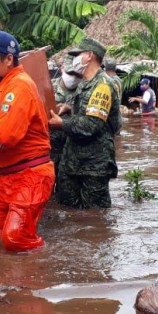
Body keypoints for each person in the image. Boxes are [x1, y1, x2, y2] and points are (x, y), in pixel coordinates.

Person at [0, 31, 55, 252]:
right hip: (7, 176)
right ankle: (7, 284)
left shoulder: (19, 86)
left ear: (8, 58)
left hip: (30, 175)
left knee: (14, 238)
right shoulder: (2, 87)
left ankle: (43, 272)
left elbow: (6, 135)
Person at [48, 37, 121, 209]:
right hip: (73, 162)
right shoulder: (84, 84)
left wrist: (61, 124)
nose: (75, 60)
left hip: (93, 166)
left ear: (89, 56)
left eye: (77, 55)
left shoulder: (102, 86)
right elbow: (84, 113)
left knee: (95, 218)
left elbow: (90, 125)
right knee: (68, 212)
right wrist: (68, 109)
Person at [49, 55, 81, 175]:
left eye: (77, 75)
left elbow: (89, 121)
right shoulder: (48, 87)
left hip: (73, 153)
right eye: (70, 73)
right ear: (62, 68)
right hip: (49, 151)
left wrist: (70, 110)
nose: (73, 78)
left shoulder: (84, 91)